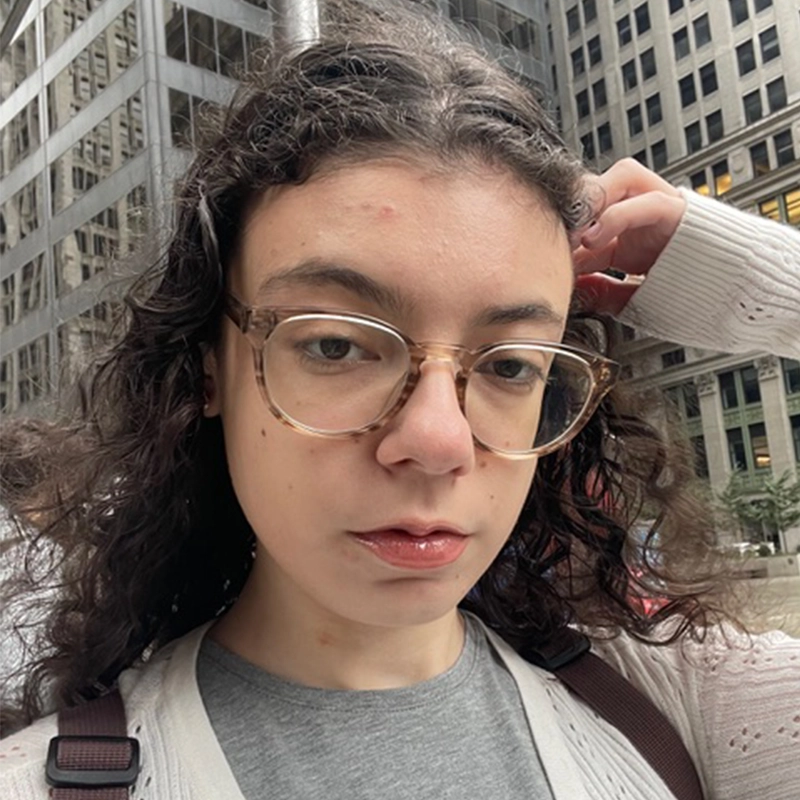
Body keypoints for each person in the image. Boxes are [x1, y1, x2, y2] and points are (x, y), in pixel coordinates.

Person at [1, 2, 798, 798]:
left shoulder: (687, 708)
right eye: (337, 345)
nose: (438, 441)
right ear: (211, 366)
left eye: (511, 364)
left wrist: (711, 259)